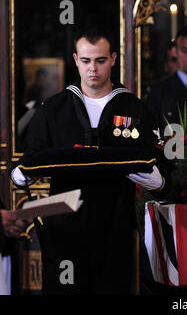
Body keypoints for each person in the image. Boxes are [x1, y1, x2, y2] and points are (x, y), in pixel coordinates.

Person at [10, 25, 170, 294]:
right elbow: (27, 162)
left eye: (100, 60)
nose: (92, 68)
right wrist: (23, 173)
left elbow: (161, 174)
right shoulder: (54, 108)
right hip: (63, 226)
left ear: (113, 59)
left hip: (114, 225)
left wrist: (142, 172)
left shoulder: (135, 108)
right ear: (75, 60)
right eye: (85, 61)